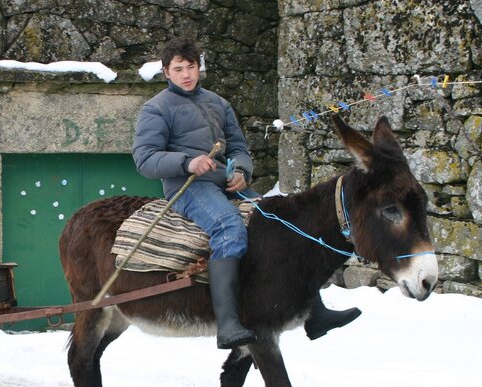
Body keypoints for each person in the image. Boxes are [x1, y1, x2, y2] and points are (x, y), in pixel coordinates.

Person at [133, 37, 360, 348]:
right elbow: (144, 158)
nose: (186, 74)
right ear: (166, 72)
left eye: (191, 67)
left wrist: (241, 171)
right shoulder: (156, 108)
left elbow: (238, 148)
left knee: (282, 225)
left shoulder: (218, 103)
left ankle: (315, 314)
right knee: (228, 229)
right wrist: (187, 162)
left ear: (199, 68)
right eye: (178, 69)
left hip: (225, 183)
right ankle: (227, 325)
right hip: (188, 188)